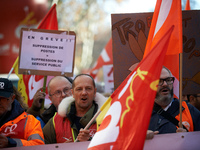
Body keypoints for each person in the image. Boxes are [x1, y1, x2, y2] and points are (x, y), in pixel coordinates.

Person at [43, 74, 107, 144]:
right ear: (72, 93)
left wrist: (90, 142)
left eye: (88, 88)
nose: (84, 93)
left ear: (95, 92)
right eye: (79, 89)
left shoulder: (107, 117)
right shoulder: (55, 122)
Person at [148, 67, 200, 134]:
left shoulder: (189, 111)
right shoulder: (141, 114)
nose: (165, 84)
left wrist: (188, 138)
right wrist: (140, 138)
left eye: (168, 80)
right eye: (159, 81)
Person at [0, 78, 44, 148]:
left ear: (12, 98)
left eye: (2, 98)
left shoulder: (29, 121)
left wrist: (11, 143)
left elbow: (39, 146)